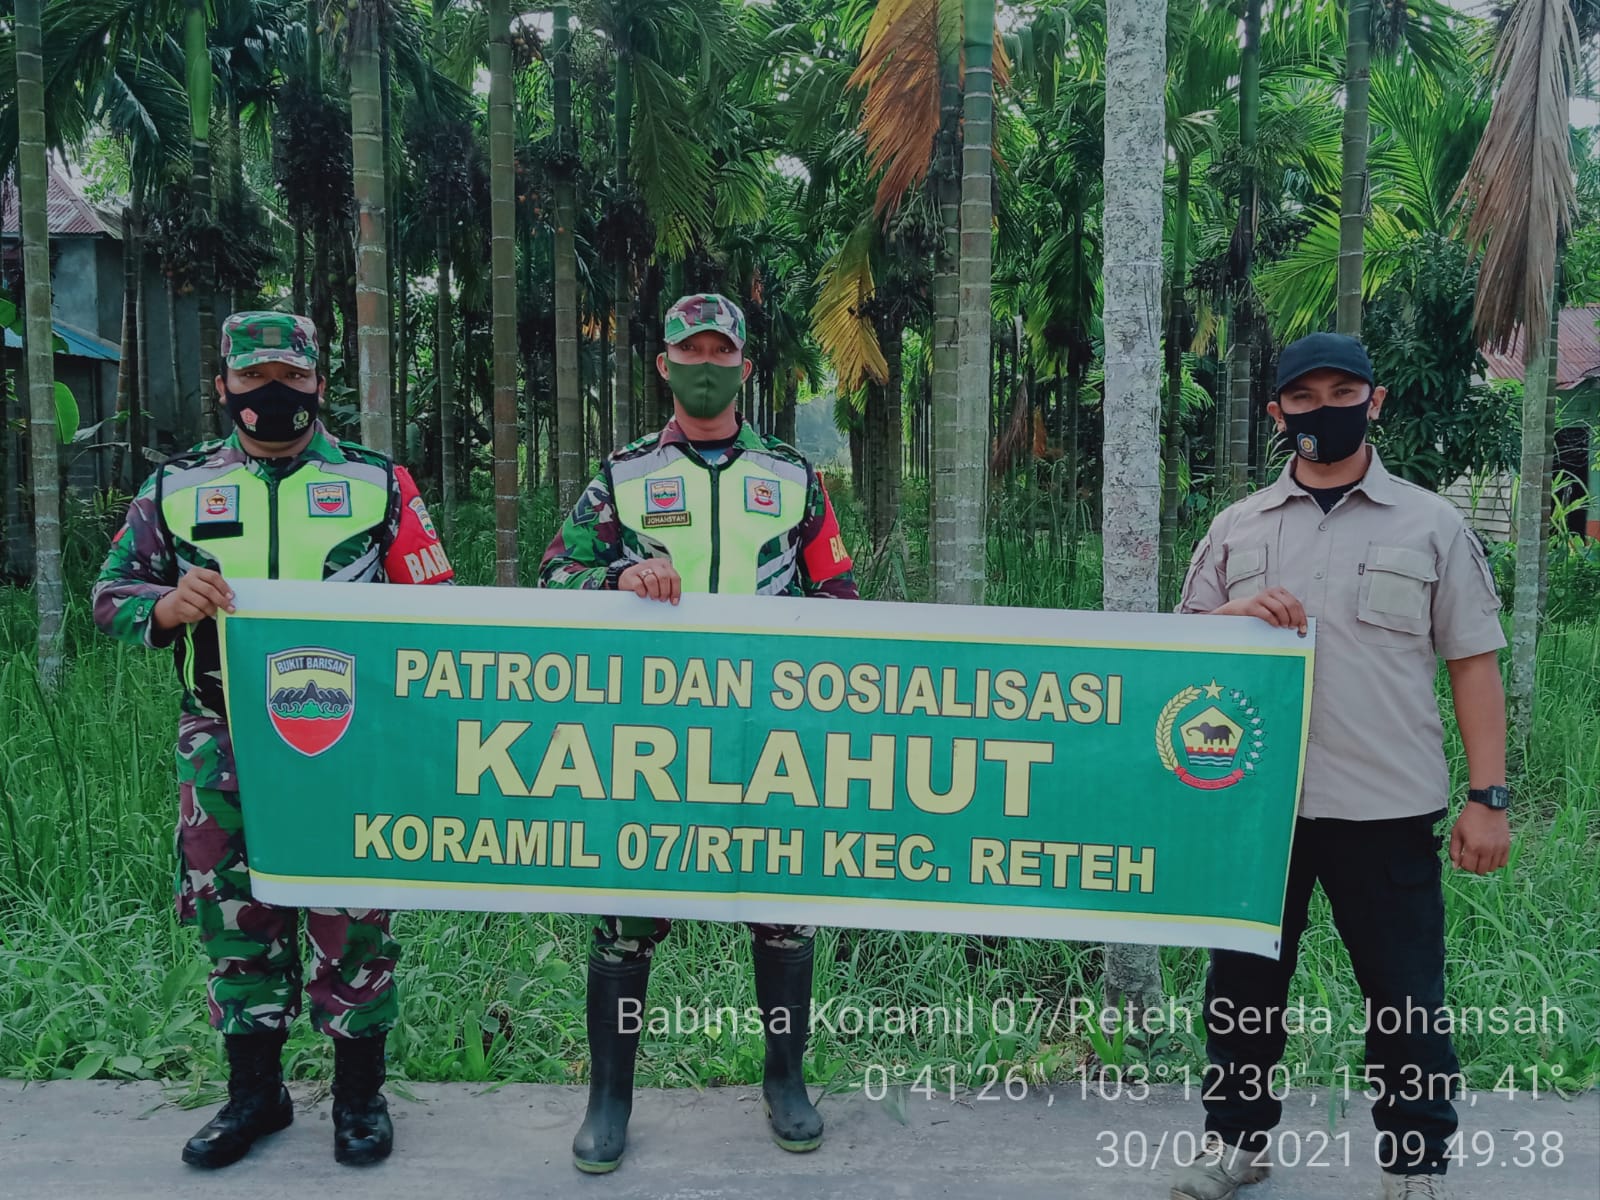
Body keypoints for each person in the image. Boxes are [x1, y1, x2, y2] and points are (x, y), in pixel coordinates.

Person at [93, 312, 455, 1169]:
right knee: (237, 916)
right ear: (223, 386)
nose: (272, 394)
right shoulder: (177, 489)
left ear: (319, 383)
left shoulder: (378, 484)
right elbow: (110, 594)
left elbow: (441, 607)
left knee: (353, 914)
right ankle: (255, 1096)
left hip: (350, 740)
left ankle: (359, 1100)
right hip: (222, 736)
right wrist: (166, 607)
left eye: (289, 376)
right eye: (253, 379)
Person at [1168, 333, 1511, 1200]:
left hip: (1386, 808)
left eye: (1344, 390)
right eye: (1307, 395)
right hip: (1255, 808)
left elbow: (1473, 660)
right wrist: (1237, 612)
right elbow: (1174, 650)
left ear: (1377, 399)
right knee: (1243, 991)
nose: (1328, 408)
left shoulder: (1433, 524)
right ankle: (1238, 1145)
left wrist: (1489, 797)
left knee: (1404, 997)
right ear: (1277, 411)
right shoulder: (1238, 527)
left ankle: (1415, 1161)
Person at [540, 293, 859, 1173]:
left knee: (783, 916)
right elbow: (556, 573)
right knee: (627, 922)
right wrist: (617, 579)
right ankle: (609, 1099)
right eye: (692, 350)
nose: (707, 364)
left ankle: (785, 1081)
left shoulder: (796, 474)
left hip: (770, 738)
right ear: (665, 365)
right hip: (653, 738)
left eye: (724, 351)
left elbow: (839, 601)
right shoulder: (624, 472)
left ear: (747, 368)